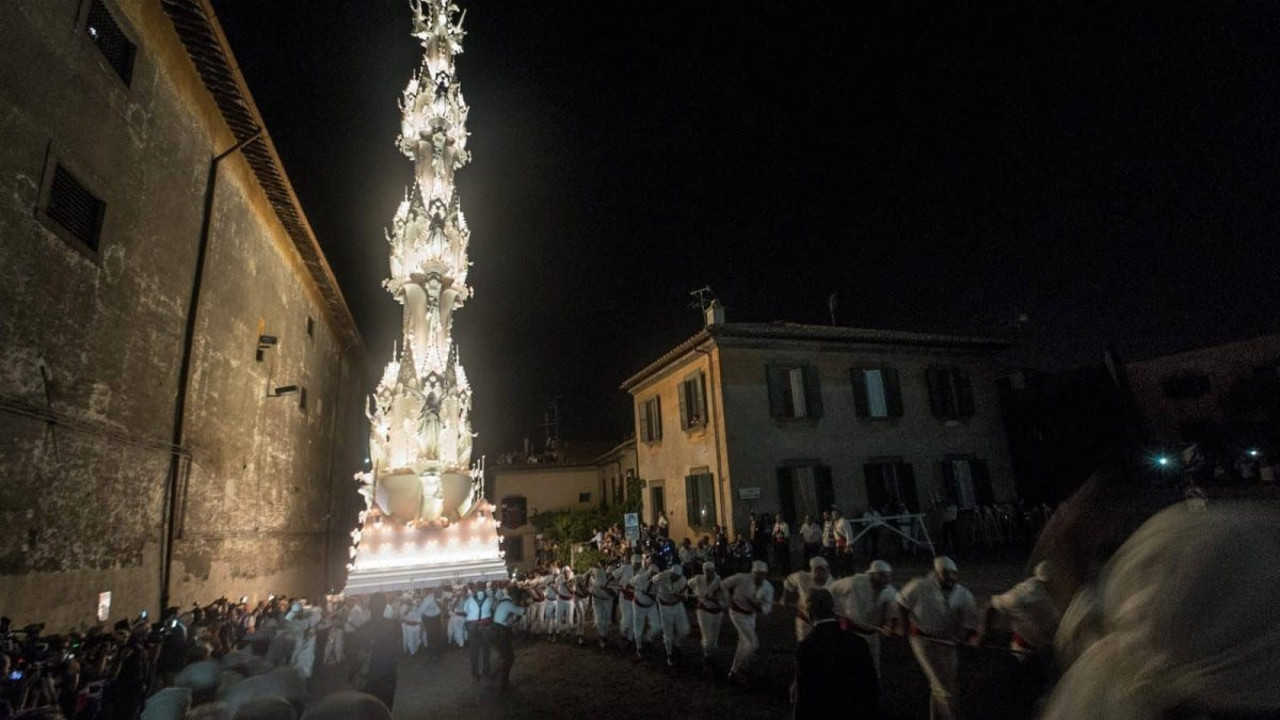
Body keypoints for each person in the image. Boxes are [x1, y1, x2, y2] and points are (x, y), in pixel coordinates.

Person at [897, 556, 979, 720]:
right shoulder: (919, 585)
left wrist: (966, 638)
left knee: (943, 684)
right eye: (946, 574)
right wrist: (903, 627)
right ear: (936, 574)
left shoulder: (963, 594)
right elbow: (901, 601)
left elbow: (971, 622)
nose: (951, 578)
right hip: (922, 641)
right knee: (944, 688)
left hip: (948, 643)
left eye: (954, 574)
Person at [792, 588, 878, 719]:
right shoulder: (858, 642)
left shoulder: (807, 646)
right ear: (833, 607)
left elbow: (804, 692)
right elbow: (871, 684)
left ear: (809, 612)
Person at [829, 559, 898, 677]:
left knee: (873, 666)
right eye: (882, 576)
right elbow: (832, 589)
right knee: (849, 664)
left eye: (888, 576)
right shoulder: (855, 582)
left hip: (872, 634)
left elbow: (892, 613)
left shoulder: (890, 592)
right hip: (851, 631)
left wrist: (889, 626)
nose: (886, 580)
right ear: (872, 575)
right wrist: (834, 609)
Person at [980, 560, 1059, 660]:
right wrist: (983, 636)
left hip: (1032, 645)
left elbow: (992, 605)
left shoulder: (1032, 587)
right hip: (1026, 649)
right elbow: (992, 605)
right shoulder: (1030, 594)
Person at [724, 560, 775, 684]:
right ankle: (741, 669)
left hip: (751, 616)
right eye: (757, 574)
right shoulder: (741, 578)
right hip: (737, 613)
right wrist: (728, 599)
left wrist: (756, 605)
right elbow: (724, 584)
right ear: (752, 573)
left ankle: (734, 671)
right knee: (752, 643)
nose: (759, 577)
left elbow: (766, 609)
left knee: (743, 644)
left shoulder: (768, 588)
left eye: (762, 575)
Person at [353, 594, 402, 711]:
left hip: (368, 678)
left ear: (369, 607)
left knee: (370, 711)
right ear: (385, 607)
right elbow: (399, 650)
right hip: (388, 675)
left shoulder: (363, 629)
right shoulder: (394, 626)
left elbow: (355, 657)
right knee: (386, 709)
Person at [782, 556, 833, 642]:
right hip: (804, 616)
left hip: (822, 620)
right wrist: (786, 600)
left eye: (823, 572)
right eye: (818, 572)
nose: (821, 576)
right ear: (812, 572)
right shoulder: (801, 577)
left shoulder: (832, 583)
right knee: (803, 641)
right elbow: (788, 582)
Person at [687, 561, 725, 669]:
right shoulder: (698, 579)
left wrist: (716, 597)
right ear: (704, 572)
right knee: (707, 637)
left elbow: (724, 597)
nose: (709, 574)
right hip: (704, 611)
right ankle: (707, 655)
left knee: (715, 636)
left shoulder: (718, 581)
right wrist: (694, 591)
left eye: (711, 571)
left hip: (717, 612)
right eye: (707, 572)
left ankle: (711, 655)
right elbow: (689, 583)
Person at [652, 562, 690, 666]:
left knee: (685, 629)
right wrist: (650, 591)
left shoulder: (683, 581)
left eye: (677, 577)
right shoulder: (662, 575)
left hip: (677, 605)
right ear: (670, 573)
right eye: (673, 576)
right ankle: (669, 654)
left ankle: (676, 645)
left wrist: (680, 596)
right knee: (668, 632)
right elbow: (653, 580)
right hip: (665, 606)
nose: (675, 578)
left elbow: (685, 597)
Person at [490, 587, 527, 691]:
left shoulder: (504, 602)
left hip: (496, 632)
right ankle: (503, 684)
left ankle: (494, 676)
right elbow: (523, 611)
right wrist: (524, 602)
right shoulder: (508, 604)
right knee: (509, 658)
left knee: (505, 657)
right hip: (500, 633)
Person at [628, 559, 662, 656]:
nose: (654, 576)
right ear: (649, 572)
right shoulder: (639, 578)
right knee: (638, 628)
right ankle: (639, 648)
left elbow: (656, 596)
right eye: (653, 574)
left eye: (656, 574)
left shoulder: (657, 581)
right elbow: (629, 584)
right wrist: (637, 590)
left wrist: (649, 594)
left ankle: (647, 638)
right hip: (638, 606)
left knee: (657, 627)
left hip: (651, 606)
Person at [463, 583, 494, 682]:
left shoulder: (470, 600)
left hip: (473, 626)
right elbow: (493, 608)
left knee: (474, 651)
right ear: (484, 588)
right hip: (485, 626)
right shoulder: (490, 599)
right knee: (486, 650)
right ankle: (486, 671)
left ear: (476, 589)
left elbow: (465, 611)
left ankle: (475, 673)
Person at [613, 554, 642, 647]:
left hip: (634, 597)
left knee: (633, 618)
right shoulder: (625, 568)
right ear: (632, 562)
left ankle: (630, 639)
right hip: (624, 596)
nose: (637, 566)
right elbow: (614, 575)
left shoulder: (642, 571)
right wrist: (606, 582)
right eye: (636, 564)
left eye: (639, 564)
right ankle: (622, 634)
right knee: (627, 619)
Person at [590, 559, 617, 648]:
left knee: (607, 620)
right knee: (598, 620)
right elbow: (589, 574)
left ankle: (604, 636)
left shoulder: (614, 579)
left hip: (608, 600)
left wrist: (607, 589)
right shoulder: (597, 572)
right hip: (597, 599)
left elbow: (614, 594)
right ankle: (601, 637)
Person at [418, 588, 444, 659]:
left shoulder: (441, 596)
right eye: (439, 593)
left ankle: (438, 653)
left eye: (441, 593)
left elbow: (440, 609)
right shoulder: (428, 599)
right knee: (431, 636)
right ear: (435, 592)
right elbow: (420, 611)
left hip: (437, 617)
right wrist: (422, 624)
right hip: (428, 618)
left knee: (438, 636)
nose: (441, 595)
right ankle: (431, 653)